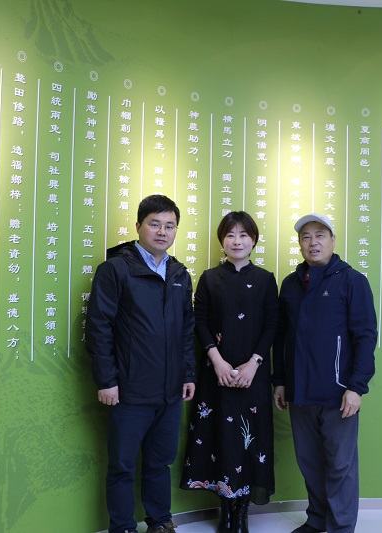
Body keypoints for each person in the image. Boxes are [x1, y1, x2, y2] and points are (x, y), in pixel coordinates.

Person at [86, 194, 196, 533]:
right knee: (122, 467)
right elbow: (99, 326)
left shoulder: (179, 273)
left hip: (170, 391)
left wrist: (188, 373)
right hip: (129, 390)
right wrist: (107, 380)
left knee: (160, 463)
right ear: (138, 226)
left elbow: (187, 329)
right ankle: (122, 527)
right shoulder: (115, 270)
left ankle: (160, 521)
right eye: (155, 224)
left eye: (170, 226)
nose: (162, 232)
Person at [272, 213, 377, 533]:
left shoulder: (352, 280)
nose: (313, 242)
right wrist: (280, 381)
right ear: (299, 244)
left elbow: (365, 336)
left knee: (340, 464)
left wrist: (356, 387)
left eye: (320, 235)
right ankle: (317, 521)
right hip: (300, 391)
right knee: (309, 462)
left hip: (338, 392)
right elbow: (281, 336)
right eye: (305, 237)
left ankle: (341, 527)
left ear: (333, 240)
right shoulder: (291, 284)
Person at [180, 211, 278, 533]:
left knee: (251, 439)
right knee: (220, 438)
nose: (237, 241)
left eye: (243, 235)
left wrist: (254, 363)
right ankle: (225, 508)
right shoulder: (209, 278)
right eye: (230, 235)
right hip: (216, 373)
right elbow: (200, 321)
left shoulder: (265, 279)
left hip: (253, 375)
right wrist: (217, 361)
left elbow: (272, 324)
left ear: (254, 240)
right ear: (222, 241)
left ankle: (243, 509)